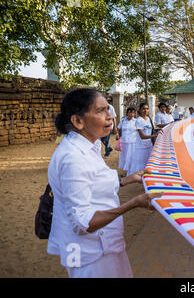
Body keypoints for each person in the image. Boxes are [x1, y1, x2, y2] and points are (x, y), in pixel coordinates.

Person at [48, 88, 163, 278]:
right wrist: (134, 203)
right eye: (101, 111)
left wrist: (128, 179)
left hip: (102, 246)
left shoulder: (90, 145)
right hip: (90, 254)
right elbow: (84, 222)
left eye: (108, 109)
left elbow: (93, 184)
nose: (110, 116)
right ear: (78, 121)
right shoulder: (73, 158)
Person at [129, 103, 158, 173]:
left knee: (148, 163)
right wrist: (153, 136)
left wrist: (154, 142)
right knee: (139, 166)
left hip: (149, 146)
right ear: (140, 110)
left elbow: (152, 132)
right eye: (143, 109)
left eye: (147, 109)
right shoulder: (138, 120)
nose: (145, 110)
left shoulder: (149, 119)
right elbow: (142, 136)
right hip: (140, 147)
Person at [117, 107, 138, 176]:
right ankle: (127, 171)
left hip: (133, 142)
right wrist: (117, 135)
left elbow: (140, 131)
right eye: (130, 112)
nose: (132, 114)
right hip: (124, 142)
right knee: (125, 157)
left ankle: (131, 172)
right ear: (127, 113)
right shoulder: (123, 121)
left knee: (131, 157)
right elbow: (118, 128)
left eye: (133, 112)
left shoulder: (136, 121)